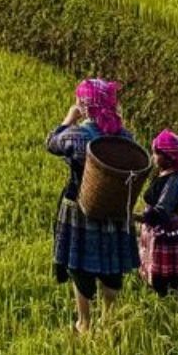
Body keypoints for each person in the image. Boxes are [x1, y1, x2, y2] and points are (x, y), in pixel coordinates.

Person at [47, 78, 140, 334]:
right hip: (114, 211)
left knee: (80, 266)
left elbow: (52, 143)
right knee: (111, 264)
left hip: (82, 210)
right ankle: (108, 320)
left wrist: (69, 117)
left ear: (85, 106)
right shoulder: (124, 136)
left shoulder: (77, 136)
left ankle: (84, 322)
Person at [139, 129, 178, 299]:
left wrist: (137, 217)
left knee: (165, 277)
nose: (153, 157)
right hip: (156, 231)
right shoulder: (165, 173)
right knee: (162, 275)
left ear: (168, 157)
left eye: (155, 153)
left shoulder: (174, 180)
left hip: (164, 232)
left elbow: (161, 212)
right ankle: (166, 305)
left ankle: (170, 308)